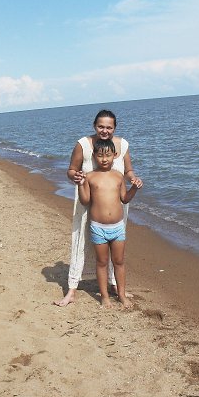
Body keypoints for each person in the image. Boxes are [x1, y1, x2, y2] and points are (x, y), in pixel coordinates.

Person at [54, 110, 142, 307]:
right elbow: (71, 170)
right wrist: (76, 178)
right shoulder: (83, 144)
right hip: (89, 203)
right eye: (101, 126)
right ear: (94, 126)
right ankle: (72, 289)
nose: (105, 130)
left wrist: (133, 180)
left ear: (115, 128)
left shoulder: (122, 146)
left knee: (118, 258)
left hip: (115, 209)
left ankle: (116, 287)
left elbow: (128, 171)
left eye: (109, 127)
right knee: (81, 243)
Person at [77, 139, 142, 308]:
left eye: (107, 155)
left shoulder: (118, 176)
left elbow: (124, 199)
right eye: (100, 155)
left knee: (119, 261)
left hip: (118, 227)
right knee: (102, 262)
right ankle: (104, 296)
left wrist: (134, 188)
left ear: (115, 155)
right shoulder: (90, 177)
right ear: (94, 156)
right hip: (98, 227)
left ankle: (121, 295)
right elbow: (85, 201)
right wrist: (80, 184)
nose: (104, 159)